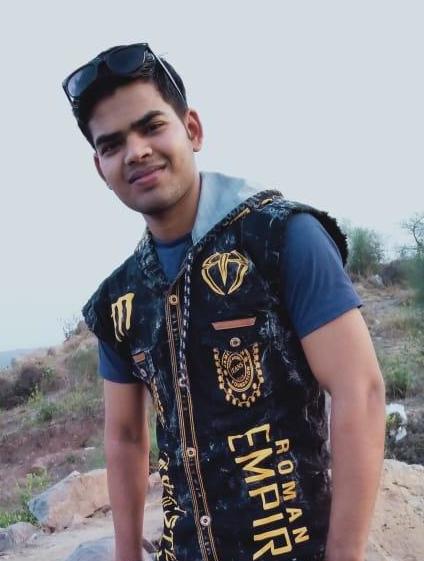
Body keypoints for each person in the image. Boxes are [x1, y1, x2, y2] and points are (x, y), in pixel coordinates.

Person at [62, 43, 386, 561]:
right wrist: (126, 553)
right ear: (101, 168)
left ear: (192, 129)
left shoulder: (282, 237)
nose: (136, 151)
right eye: (112, 144)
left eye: (151, 126)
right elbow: (124, 437)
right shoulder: (119, 301)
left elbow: (359, 391)